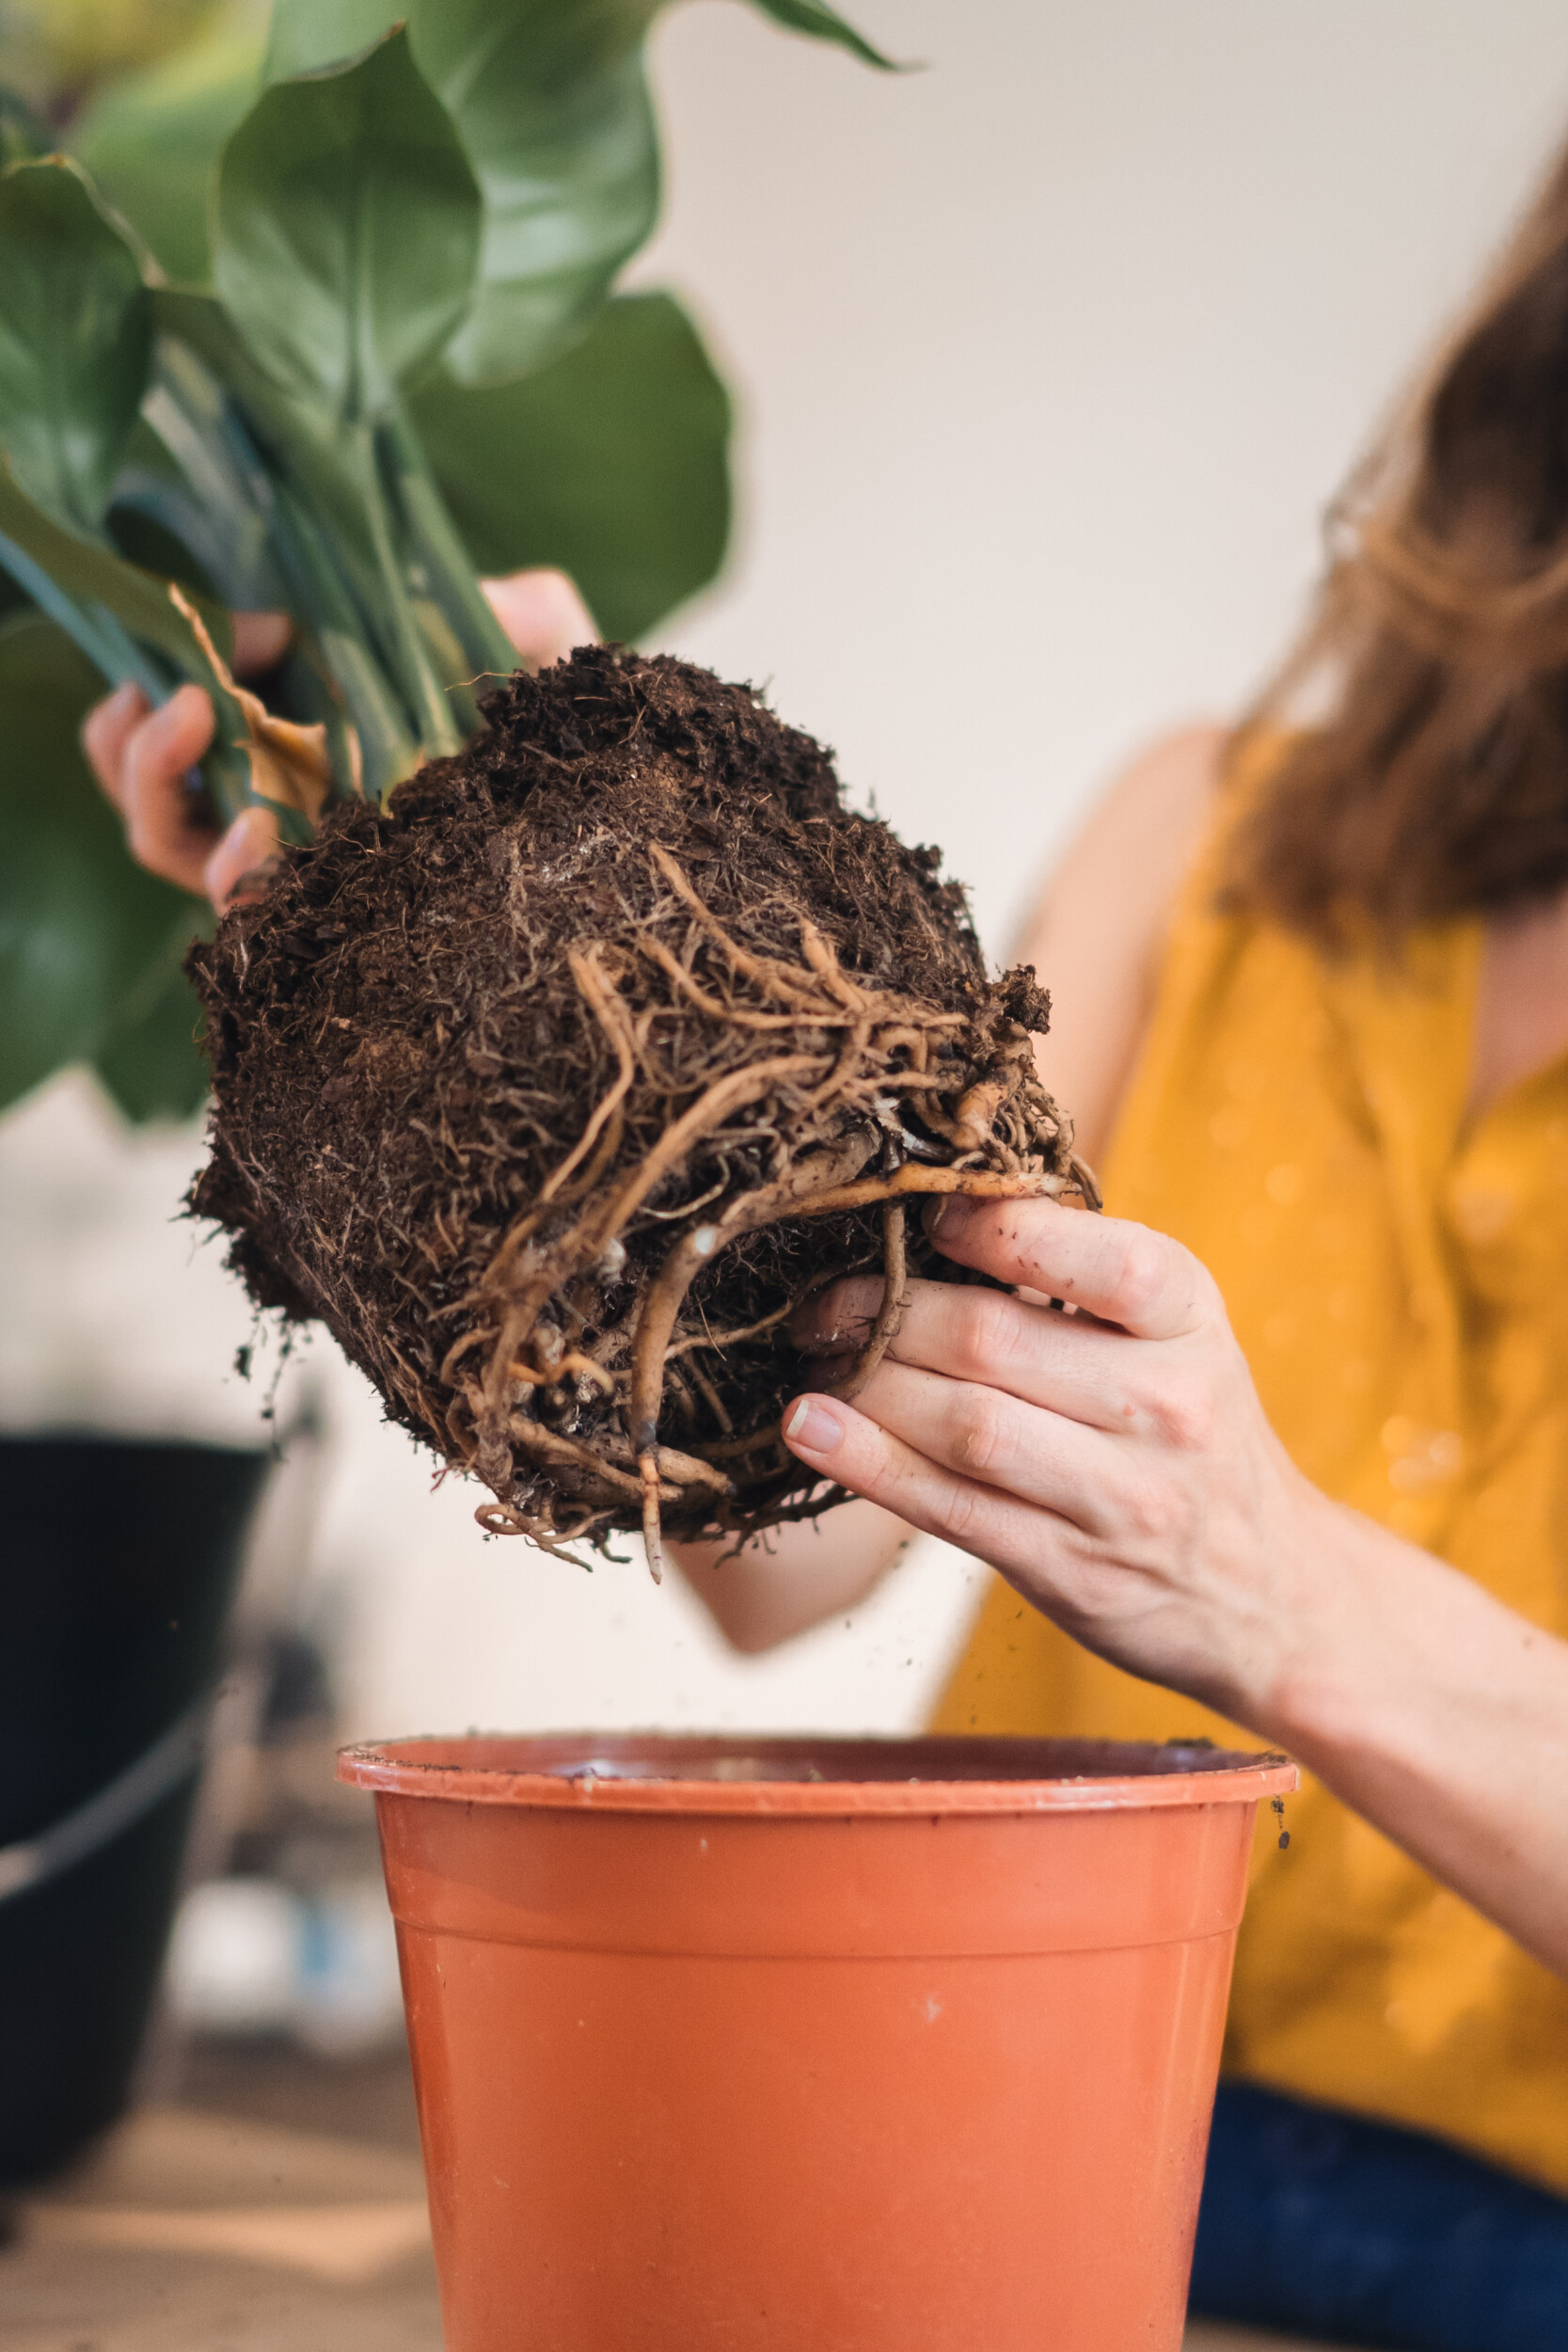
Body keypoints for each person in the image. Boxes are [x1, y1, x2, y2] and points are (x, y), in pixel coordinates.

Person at [85, 141, 1568, 2352]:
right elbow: (791, 1558)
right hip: (1026, 2111)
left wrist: (1279, 1588)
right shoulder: (1220, 848)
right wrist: (525, 950)